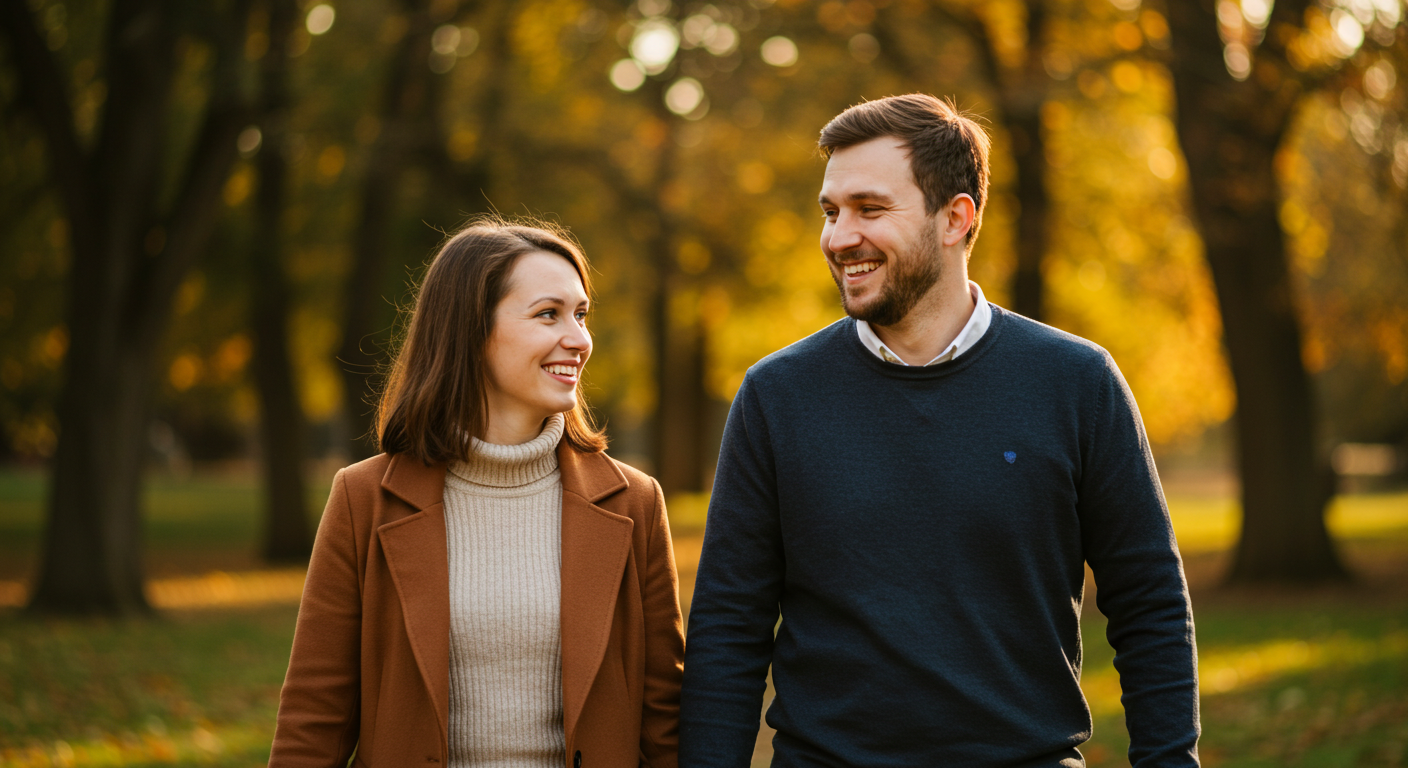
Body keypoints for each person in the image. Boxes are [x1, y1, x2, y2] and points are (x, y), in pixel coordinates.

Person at [679, 94, 1199, 767]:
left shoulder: (1077, 382)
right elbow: (728, 630)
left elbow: (1149, 603)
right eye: (830, 212)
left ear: (956, 218)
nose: (839, 237)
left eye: (869, 209)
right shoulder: (776, 397)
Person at [269, 218, 684, 768]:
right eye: (548, 314)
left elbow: (667, 726)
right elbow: (313, 723)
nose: (580, 339)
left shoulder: (635, 502)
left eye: (581, 315)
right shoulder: (363, 499)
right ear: (470, 329)